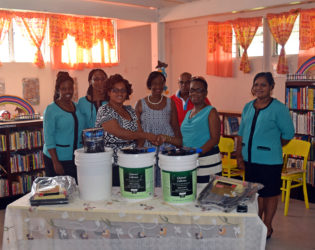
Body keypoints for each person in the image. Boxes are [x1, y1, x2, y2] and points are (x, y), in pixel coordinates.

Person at [236, 72, 294, 239]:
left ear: (271, 87)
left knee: (269, 194)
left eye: (263, 85)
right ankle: (256, 223)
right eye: (256, 85)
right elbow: (241, 133)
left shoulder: (279, 108)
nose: (259, 88)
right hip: (250, 160)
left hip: (270, 161)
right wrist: (239, 156)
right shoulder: (248, 106)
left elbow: (288, 134)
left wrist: (273, 145)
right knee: (254, 195)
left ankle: (267, 225)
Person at [95, 74, 158, 186]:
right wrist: (147, 135)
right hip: (113, 164)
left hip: (132, 161)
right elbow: (120, 133)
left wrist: (137, 152)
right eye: (115, 90)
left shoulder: (130, 110)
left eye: (123, 90)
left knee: (134, 192)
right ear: (109, 92)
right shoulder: (104, 110)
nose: (120, 93)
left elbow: (139, 133)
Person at [135, 71, 182, 186]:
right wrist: (139, 148)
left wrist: (179, 143)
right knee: (147, 182)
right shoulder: (140, 103)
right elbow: (137, 130)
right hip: (147, 148)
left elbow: (175, 127)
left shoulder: (170, 103)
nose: (158, 87)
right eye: (155, 83)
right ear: (149, 85)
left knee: (166, 182)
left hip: (167, 148)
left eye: (161, 83)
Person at [43, 72, 86, 182]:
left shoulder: (77, 107)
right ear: (58, 90)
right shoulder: (51, 109)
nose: (68, 91)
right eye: (64, 89)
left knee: (75, 191)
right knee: (58, 193)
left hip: (75, 158)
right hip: (58, 159)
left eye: (70, 88)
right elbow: (49, 137)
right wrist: (55, 162)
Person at [181, 76, 221, 183]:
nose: (195, 93)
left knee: (206, 197)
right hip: (191, 162)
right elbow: (185, 138)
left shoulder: (211, 112)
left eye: (199, 90)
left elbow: (215, 139)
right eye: (192, 90)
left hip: (207, 162)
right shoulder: (188, 113)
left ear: (205, 93)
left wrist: (196, 152)